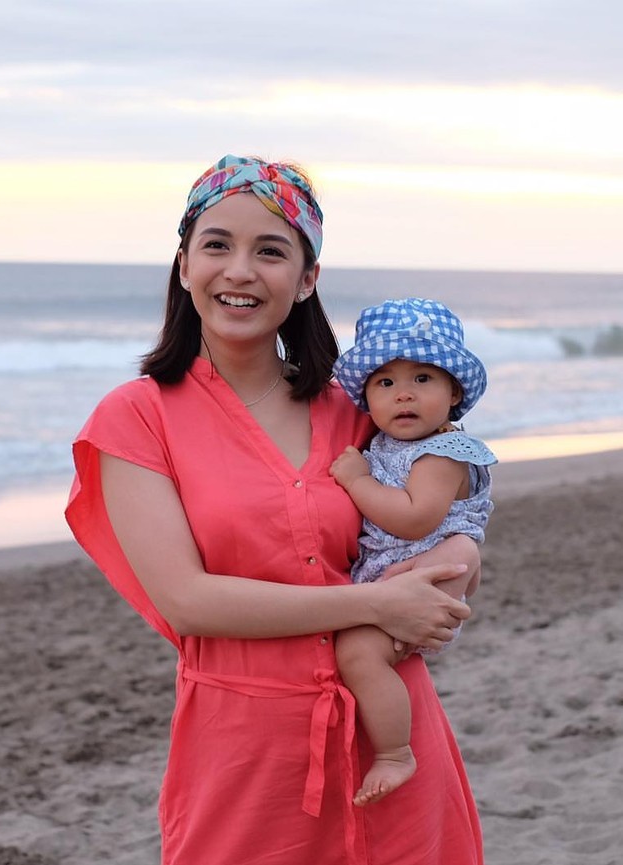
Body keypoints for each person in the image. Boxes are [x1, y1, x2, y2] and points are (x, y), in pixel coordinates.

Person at [65, 154, 484, 865]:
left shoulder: (359, 411)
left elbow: (447, 515)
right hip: (244, 752)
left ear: (307, 277)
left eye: (270, 251)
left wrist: (462, 559)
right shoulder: (135, 417)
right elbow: (187, 600)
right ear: (184, 264)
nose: (240, 271)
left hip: (392, 735)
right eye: (217, 245)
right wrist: (375, 605)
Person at [330, 298, 497, 808]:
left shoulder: (443, 452)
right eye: (385, 382)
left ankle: (395, 752)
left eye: (422, 379)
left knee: (357, 654)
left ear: (454, 393)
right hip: (406, 572)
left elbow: (413, 518)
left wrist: (356, 482)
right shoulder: (388, 444)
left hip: (429, 573)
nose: (403, 393)